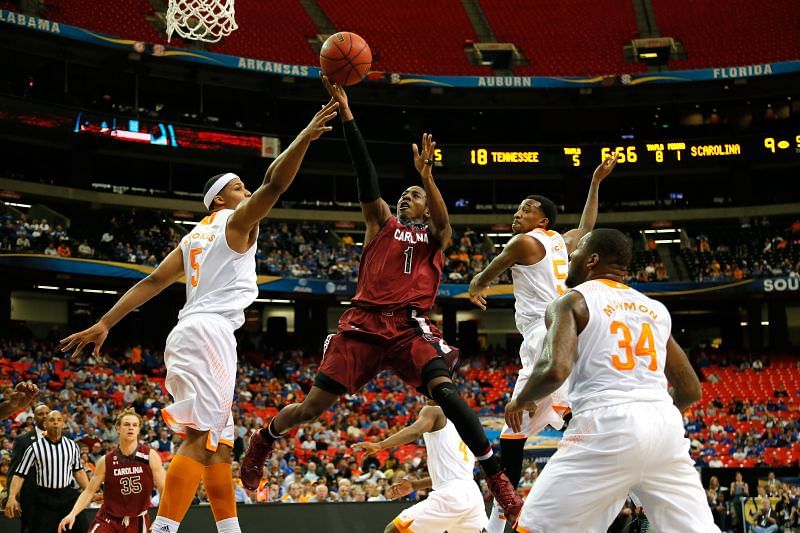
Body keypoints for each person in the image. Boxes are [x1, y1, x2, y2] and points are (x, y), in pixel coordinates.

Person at [241, 77, 523, 521]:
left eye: (413, 195)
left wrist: (427, 179)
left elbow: (445, 223)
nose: (404, 196)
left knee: (446, 393)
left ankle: (497, 478)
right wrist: (349, 115)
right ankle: (265, 438)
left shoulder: (435, 234)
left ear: (427, 204)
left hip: (410, 325)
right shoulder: (381, 224)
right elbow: (364, 172)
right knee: (313, 407)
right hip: (364, 323)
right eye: (404, 193)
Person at [59, 99, 339, 533]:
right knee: (199, 441)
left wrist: (106, 322)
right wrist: (303, 137)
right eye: (239, 187)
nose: (247, 192)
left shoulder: (193, 237)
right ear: (222, 198)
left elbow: (151, 283)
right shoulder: (234, 223)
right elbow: (274, 184)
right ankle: (166, 530)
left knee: (220, 446)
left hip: (193, 332)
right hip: (209, 334)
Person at [505, 228, 720, 532]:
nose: (570, 258)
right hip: (665, 428)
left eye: (575, 253)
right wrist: (653, 420)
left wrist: (522, 398)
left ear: (591, 259)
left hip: (605, 424)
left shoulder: (571, 302)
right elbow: (689, 389)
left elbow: (555, 369)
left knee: (535, 528)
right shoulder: (654, 309)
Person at [467, 153, 618, 532]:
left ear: (542, 220)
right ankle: (504, 516)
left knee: (563, 410)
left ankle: (612, 472)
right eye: (519, 209)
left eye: (527, 209)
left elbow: (495, 265)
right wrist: (595, 183)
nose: (519, 213)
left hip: (543, 335)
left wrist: (477, 283)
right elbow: (586, 225)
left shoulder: (525, 242)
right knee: (512, 432)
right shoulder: (561, 242)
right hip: (559, 332)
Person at [354, 402, 488, 533]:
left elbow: (414, 432)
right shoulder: (465, 425)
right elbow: (450, 477)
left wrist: (380, 445)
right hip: (472, 495)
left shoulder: (434, 410)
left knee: (394, 530)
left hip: (452, 495)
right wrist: (414, 485)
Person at [58, 408, 166, 533]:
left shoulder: (150, 456)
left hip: (137, 520)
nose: (130, 428)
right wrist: (72, 514)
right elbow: (89, 491)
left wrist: (161, 518)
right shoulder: (106, 460)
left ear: (138, 430)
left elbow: (163, 488)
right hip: (108, 519)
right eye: (126, 424)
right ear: (118, 429)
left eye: (134, 425)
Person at [4, 411, 90, 533]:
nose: (56, 422)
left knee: (82, 529)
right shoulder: (34, 448)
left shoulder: (72, 446)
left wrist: (89, 491)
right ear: (45, 424)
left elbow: (78, 472)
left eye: (59, 420)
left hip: (68, 496)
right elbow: (19, 475)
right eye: (52, 420)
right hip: (44, 498)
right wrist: (12, 497)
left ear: (63, 424)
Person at [7, 401, 49, 533]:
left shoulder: (64, 437)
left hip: (57, 496)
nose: (44, 416)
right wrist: (12, 496)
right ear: (34, 418)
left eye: (47, 413)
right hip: (31, 496)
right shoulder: (22, 440)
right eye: (40, 414)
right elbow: (14, 470)